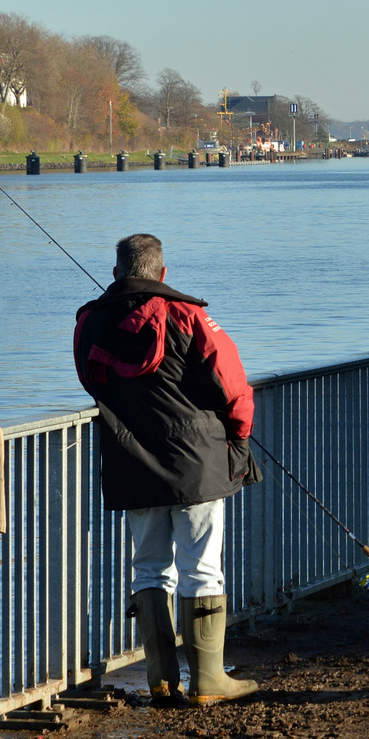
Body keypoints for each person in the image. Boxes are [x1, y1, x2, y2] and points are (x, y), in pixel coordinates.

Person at [74, 233, 262, 707]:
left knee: (149, 568)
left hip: (129, 462)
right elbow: (233, 386)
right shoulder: (187, 315)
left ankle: (161, 679)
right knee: (201, 567)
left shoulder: (90, 323)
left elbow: (92, 383)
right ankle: (208, 680)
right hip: (196, 462)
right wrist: (237, 436)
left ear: (117, 273)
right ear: (162, 273)